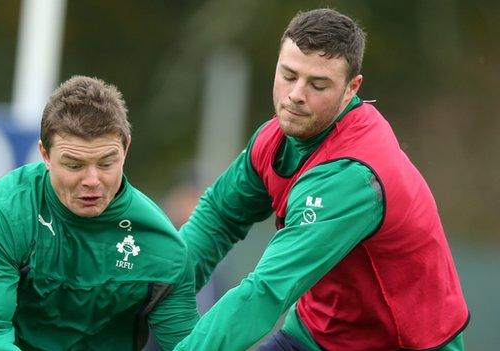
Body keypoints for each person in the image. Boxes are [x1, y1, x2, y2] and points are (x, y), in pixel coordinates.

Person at [174, 8, 469, 351]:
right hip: (315, 336)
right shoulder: (275, 137)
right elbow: (218, 218)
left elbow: (266, 291)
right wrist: (145, 298)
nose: (296, 94)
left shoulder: (351, 176)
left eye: (318, 84)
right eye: (288, 75)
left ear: (351, 89)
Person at [0, 75, 199, 350]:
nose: (92, 180)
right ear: (45, 154)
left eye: (106, 163)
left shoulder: (162, 246)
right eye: (74, 165)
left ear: (125, 148)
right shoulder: (4, 211)